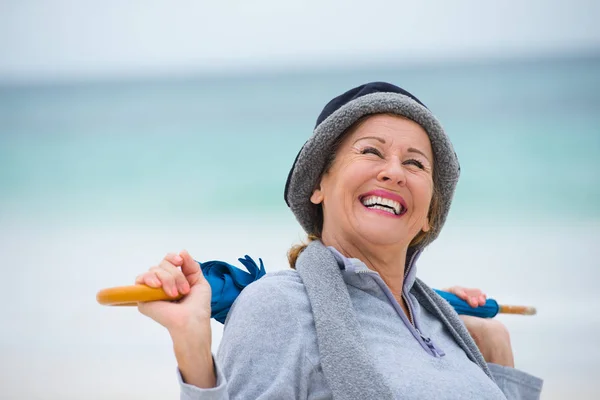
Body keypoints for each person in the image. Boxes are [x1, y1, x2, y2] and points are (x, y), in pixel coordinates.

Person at [135, 82, 543, 399]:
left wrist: (494, 344)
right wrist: (193, 349)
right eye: (370, 152)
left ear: (428, 214)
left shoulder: (446, 325)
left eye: (415, 163)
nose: (394, 173)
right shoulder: (278, 306)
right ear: (318, 184)